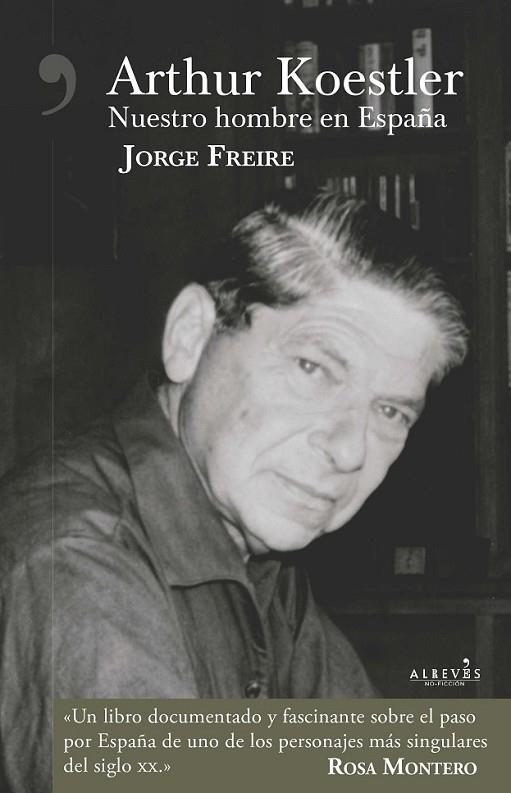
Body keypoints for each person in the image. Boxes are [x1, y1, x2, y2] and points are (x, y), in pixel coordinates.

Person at [0, 193, 467, 792]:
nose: (351, 450)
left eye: (391, 412)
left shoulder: (257, 549)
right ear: (191, 336)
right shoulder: (75, 561)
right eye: (313, 369)